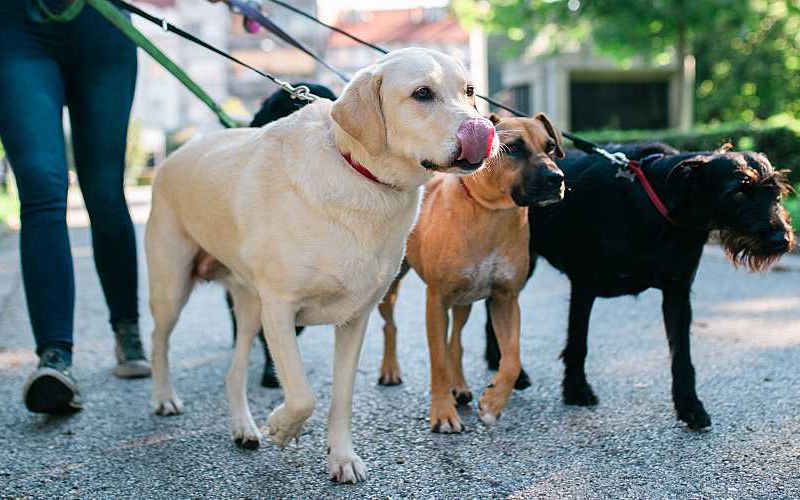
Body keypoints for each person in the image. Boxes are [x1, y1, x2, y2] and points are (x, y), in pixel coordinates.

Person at [0, 0, 150, 415]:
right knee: (41, 187)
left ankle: (127, 328)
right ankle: (55, 358)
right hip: (15, 29)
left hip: (102, 24)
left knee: (104, 191)